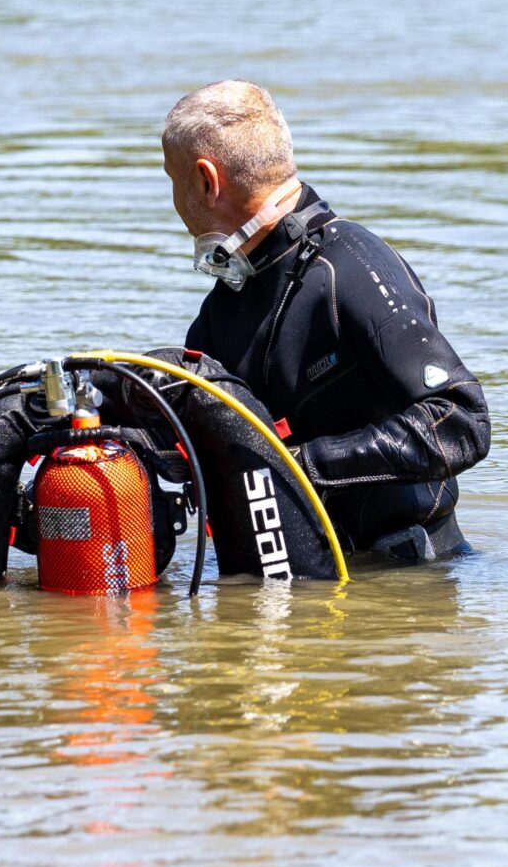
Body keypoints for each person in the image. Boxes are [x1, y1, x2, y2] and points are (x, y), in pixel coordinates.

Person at [162, 80, 488, 563]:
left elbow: (460, 421)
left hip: (405, 589)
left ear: (207, 181)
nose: (173, 202)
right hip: (295, 576)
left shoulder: (351, 267)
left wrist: (300, 467)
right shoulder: (221, 314)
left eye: (173, 180)